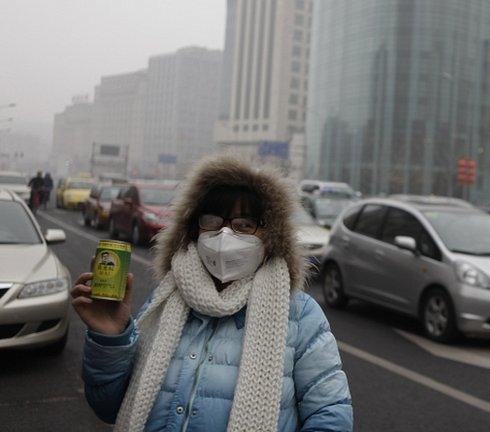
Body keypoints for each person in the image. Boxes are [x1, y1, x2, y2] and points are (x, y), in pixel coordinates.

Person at [72, 155, 353, 432]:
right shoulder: (166, 299)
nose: (224, 235)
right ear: (193, 229)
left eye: (244, 225)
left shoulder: (299, 314)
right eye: (212, 221)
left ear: (270, 236)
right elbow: (108, 408)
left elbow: (330, 416)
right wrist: (110, 338)